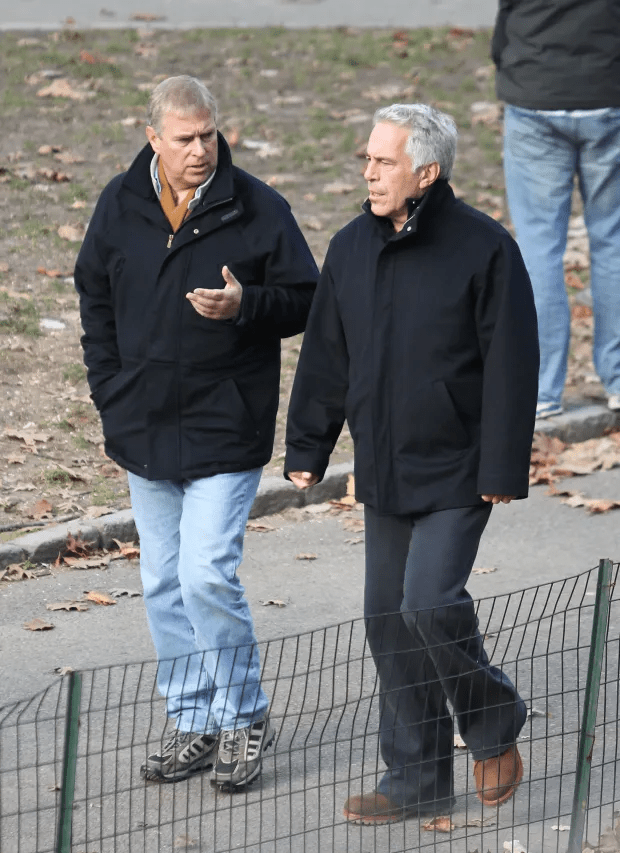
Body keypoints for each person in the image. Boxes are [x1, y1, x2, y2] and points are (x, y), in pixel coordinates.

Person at [284, 104, 539, 825]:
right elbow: (327, 355)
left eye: (383, 160)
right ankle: (418, 776)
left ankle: (492, 719)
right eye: (365, 158)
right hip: (386, 468)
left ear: (426, 171)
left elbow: (512, 366)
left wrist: (502, 465)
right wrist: (309, 444)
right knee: (387, 620)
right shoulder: (349, 247)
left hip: (460, 465)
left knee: (429, 602)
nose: (367, 171)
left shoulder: (485, 248)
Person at [74, 76, 318, 789]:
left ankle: (243, 716)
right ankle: (194, 720)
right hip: (142, 426)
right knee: (160, 582)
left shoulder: (259, 207)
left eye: (209, 134)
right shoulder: (119, 206)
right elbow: (93, 294)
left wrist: (248, 303)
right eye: (185, 138)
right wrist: (108, 391)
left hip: (226, 425)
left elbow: (307, 296)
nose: (201, 150)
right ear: (153, 138)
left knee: (205, 573)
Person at [492, 0, 620, 419]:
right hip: (608, 91)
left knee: (536, 249)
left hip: (534, 90)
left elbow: (506, 18)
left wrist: (509, 68)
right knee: (614, 243)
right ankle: (617, 378)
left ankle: (540, 389)